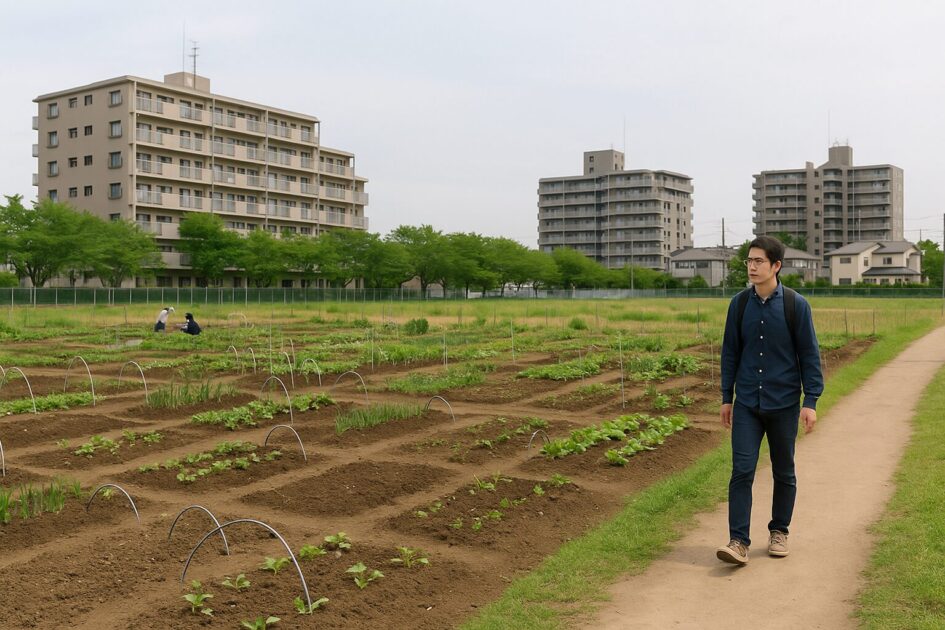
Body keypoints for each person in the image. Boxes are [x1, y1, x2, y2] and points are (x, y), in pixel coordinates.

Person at [716, 235, 824, 566]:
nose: (752, 266)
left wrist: (811, 401)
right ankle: (738, 541)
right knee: (742, 470)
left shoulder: (795, 305)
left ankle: (779, 531)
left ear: (776, 265)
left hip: (784, 402)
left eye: (759, 261)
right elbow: (730, 351)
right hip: (747, 402)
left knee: (784, 471)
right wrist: (726, 396)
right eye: (749, 261)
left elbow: (809, 354)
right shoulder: (739, 304)